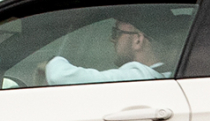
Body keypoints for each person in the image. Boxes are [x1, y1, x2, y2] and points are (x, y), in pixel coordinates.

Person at [44, 16, 172, 85]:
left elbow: (62, 77)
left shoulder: (140, 76)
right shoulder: (165, 76)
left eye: (116, 32)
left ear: (138, 40)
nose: (111, 39)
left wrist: (51, 62)